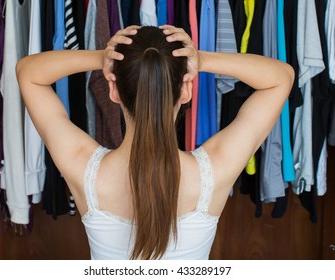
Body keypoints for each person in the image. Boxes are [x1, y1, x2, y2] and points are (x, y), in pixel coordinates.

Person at [16, 25, 294, 260]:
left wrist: (103, 57)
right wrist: (202, 59)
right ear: (186, 90)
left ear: (113, 89)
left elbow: (28, 73)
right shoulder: (215, 171)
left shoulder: (83, 168)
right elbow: (282, 77)